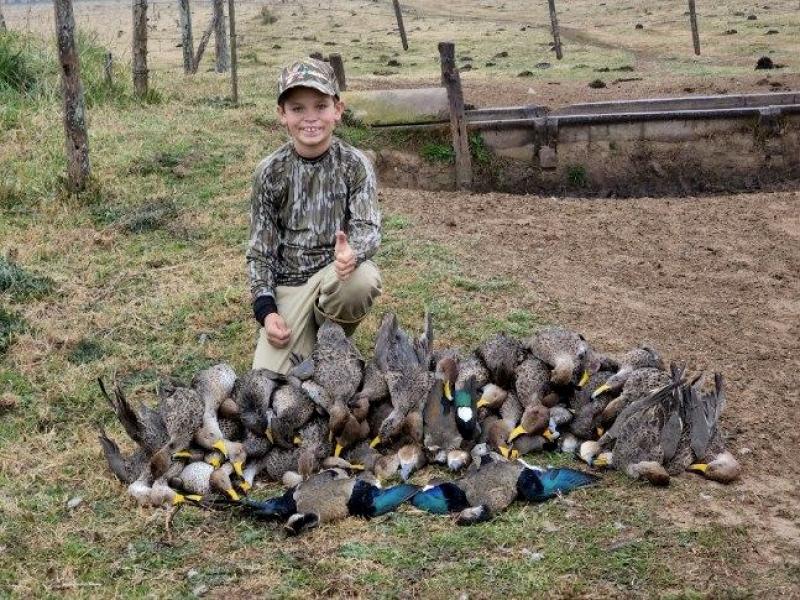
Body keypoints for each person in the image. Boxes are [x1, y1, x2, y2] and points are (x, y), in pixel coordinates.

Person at [246, 58, 382, 373]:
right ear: (282, 114)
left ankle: (329, 340)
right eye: (297, 109)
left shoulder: (355, 164)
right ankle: (303, 340)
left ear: (338, 109)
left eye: (320, 106)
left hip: (334, 276)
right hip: (287, 287)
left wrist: (353, 253)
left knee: (361, 280)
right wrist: (267, 312)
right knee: (270, 382)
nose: (311, 119)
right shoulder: (269, 172)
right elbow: (259, 249)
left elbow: (368, 228)